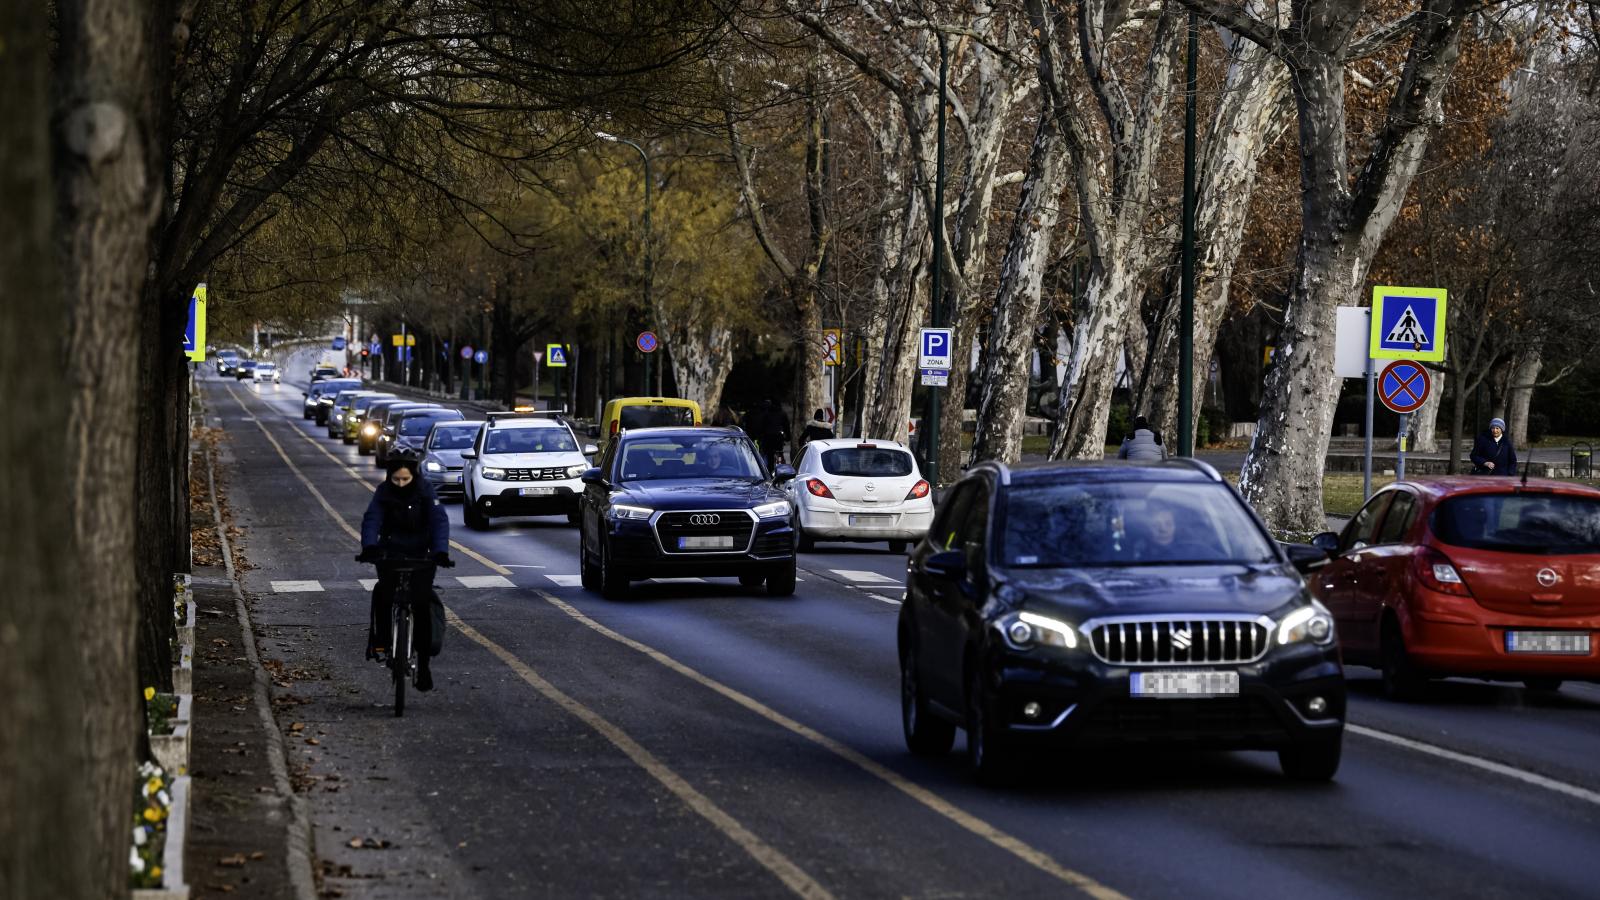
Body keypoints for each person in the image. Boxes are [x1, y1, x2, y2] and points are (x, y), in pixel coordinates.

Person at [358, 458, 451, 691]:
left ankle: (424, 664)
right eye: (396, 479)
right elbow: (372, 518)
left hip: (421, 555)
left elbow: (439, 520)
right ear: (389, 477)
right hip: (390, 552)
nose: (400, 484)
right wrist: (369, 546)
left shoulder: (425, 491)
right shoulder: (383, 492)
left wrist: (440, 551)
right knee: (382, 594)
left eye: (405, 479)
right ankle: (382, 642)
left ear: (414, 476)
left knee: (421, 604)